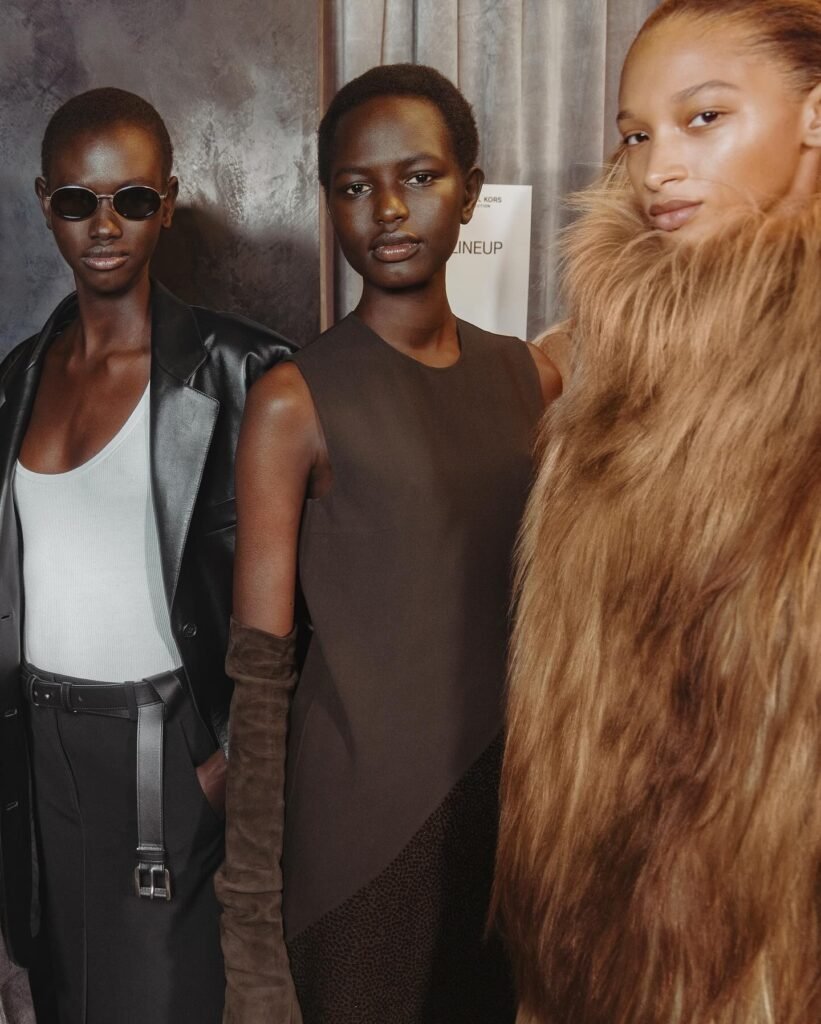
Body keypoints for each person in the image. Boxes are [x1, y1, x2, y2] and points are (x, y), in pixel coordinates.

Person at [493, 2, 821, 1022]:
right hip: (596, 922)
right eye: (634, 135)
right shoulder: (594, 355)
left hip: (775, 932)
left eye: (703, 118)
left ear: (815, 115)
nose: (657, 168)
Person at [215, 63, 561, 1024]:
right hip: (356, 854)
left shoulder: (532, 381)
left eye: (418, 176)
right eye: (355, 186)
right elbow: (259, 682)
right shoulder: (292, 402)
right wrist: (250, 943)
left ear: (469, 192)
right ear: (329, 205)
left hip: (507, 835)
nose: (390, 208)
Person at [0, 87, 293, 1024]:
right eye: (77, 201)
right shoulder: (16, 380)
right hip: (38, 752)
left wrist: (227, 759)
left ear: (167, 201)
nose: (104, 226)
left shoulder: (244, 373)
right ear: (45, 203)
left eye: (130, 199)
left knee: (167, 1001)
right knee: (62, 992)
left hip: (166, 749)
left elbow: (308, 598)